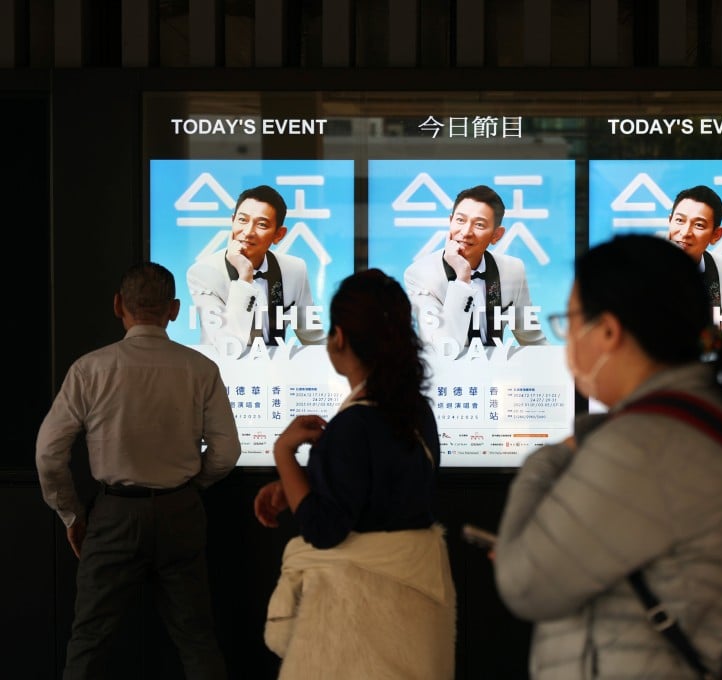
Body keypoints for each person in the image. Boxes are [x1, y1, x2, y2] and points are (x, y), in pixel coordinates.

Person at [493, 234, 722, 678]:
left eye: (569, 321)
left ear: (607, 331)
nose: (567, 342)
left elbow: (523, 584)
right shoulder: (703, 420)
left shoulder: (642, 446)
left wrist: (550, 458)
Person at [35, 261, 241, 679]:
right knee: (196, 638)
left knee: (89, 640)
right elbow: (226, 451)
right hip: (181, 510)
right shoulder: (201, 369)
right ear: (175, 309)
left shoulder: (90, 369)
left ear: (118, 305)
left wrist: (72, 513)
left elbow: (48, 454)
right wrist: (191, 485)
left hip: (112, 516)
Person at [254, 268, 456, 680]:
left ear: (340, 337)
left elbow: (325, 529)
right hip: (415, 617)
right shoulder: (416, 411)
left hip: (358, 625)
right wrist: (302, 483)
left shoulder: (353, 426)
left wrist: (285, 455)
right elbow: (381, 493)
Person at [403, 184, 548, 349]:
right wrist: (462, 278)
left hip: (497, 371)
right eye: (460, 220)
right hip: (447, 373)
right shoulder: (420, 275)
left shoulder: (513, 270)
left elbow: (534, 342)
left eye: (479, 224)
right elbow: (443, 349)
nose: (465, 232)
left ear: (496, 235)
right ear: (450, 222)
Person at [187, 184, 328, 349]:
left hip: (275, 371)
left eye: (261, 224)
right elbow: (228, 347)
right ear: (232, 221)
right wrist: (245, 277)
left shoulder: (295, 269)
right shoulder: (203, 273)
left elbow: (315, 340)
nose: (248, 231)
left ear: (278, 235)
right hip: (221, 371)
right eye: (242, 220)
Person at [668, 184, 722, 331]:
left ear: (716, 235)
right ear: (669, 221)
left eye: (698, 225)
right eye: (679, 220)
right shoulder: (639, 268)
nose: (685, 232)